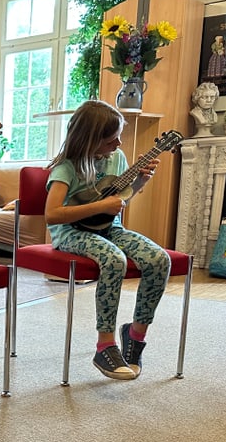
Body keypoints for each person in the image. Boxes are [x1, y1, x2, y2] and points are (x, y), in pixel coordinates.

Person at [44, 100, 167, 381]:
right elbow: (52, 215)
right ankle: (105, 345)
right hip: (72, 232)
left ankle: (135, 336)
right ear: (90, 140)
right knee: (114, 260)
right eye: (112, 139)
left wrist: (138, 184)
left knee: (159, 259)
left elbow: (118, 200)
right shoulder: (66, 168)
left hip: (109, 228)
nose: (119, 143)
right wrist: (100, 207)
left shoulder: (117, 158)